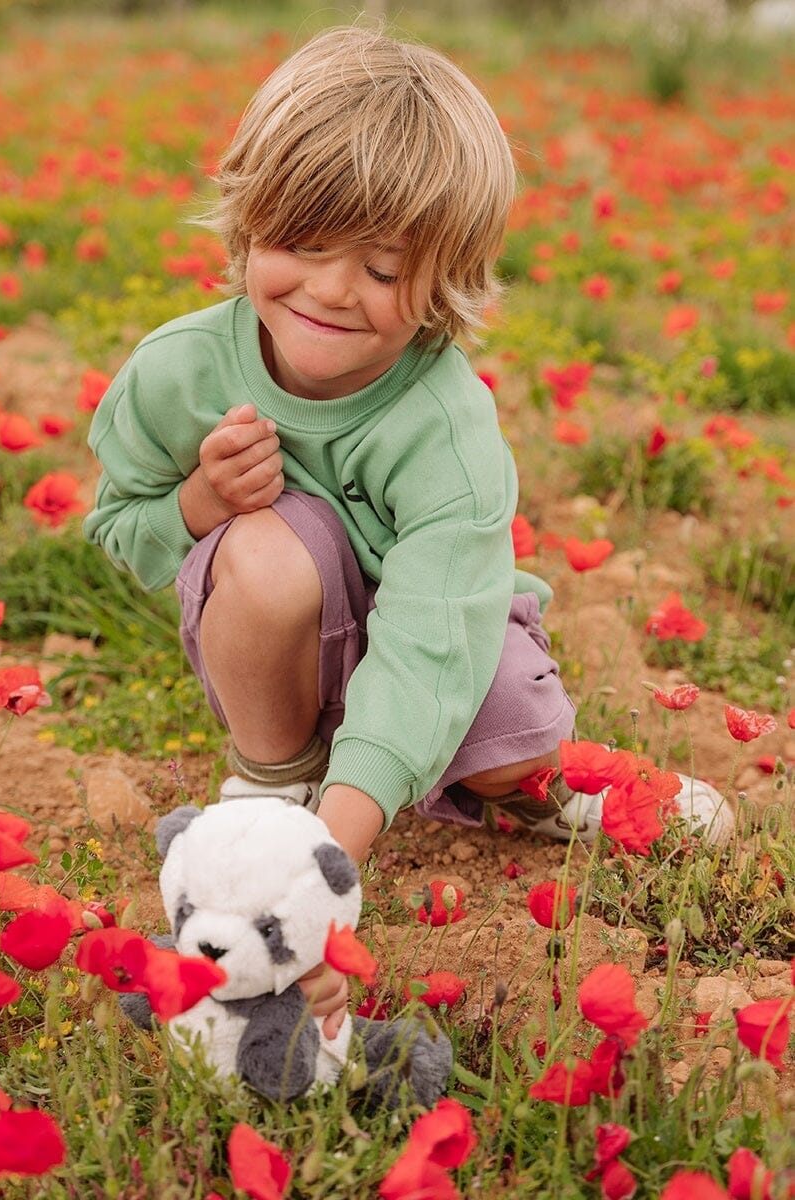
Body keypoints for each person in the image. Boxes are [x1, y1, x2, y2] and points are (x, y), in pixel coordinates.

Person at [83, 26, 732, 1019]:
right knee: (258, 545)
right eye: (303, 244)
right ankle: (272, 784)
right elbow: (119, 527)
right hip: (290, 653)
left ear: (446, 282)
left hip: (446, 641)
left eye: (385, 271)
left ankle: (552, 786)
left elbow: (436, 641)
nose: (335, 290)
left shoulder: (446, 426)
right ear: (248, 222)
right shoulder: (180, 372)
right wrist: (198, 505)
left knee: (504, 741)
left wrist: (326, 862)